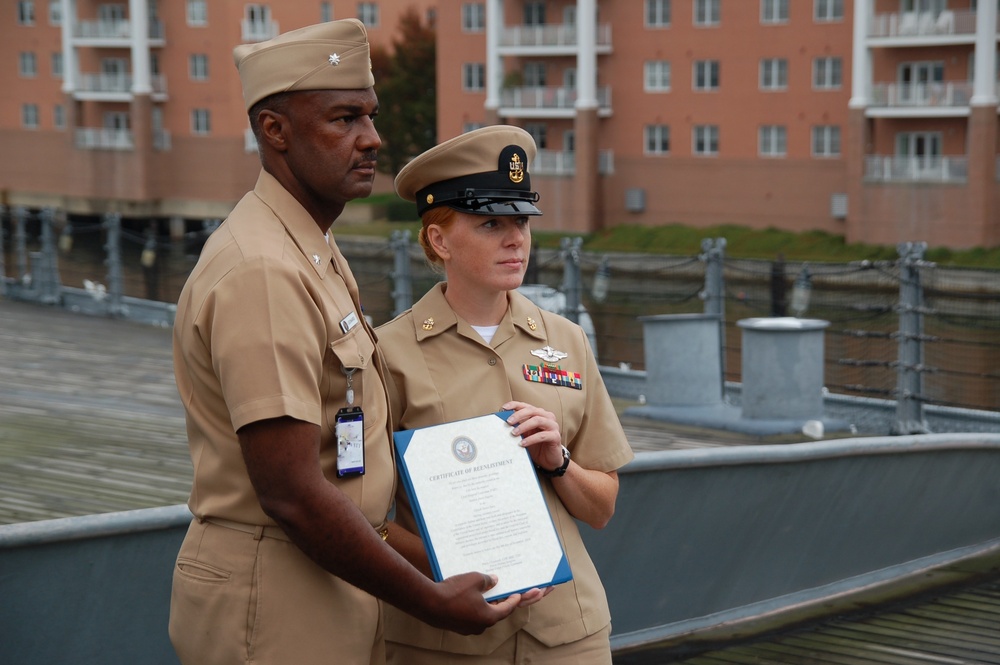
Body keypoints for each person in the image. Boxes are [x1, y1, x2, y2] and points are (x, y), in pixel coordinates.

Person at [169, 21, 521, 665]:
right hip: (276, 595)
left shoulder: (312, 249)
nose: (372, 138)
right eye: (344, 118)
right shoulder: (264, 271)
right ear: (275, 131)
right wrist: (431, 599)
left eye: (372, 115)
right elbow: (290, 492)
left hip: (333, 577)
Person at [377, 125, 635, 664]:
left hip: (567, 635)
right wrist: (453, 569)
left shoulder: (566, 340)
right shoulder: (386, 354)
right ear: (439, 239)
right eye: (491, 222)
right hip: (447, 637)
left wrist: (557, 460)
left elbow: (603, 507)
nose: (515, 238)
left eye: (520, 221)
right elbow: (368, 519)